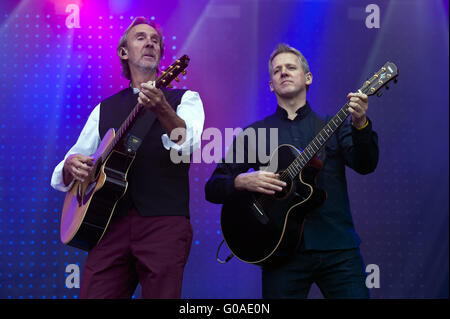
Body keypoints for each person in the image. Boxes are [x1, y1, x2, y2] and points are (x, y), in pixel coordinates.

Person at [205, 43, 378, 299]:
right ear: (271, 85)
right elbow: (213, 187)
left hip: (337, 248)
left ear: (307, 78)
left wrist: (360, 123)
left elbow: (366, 165)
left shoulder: (334, 125)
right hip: (279, 252)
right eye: (277, 71)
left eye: (290, 67)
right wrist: (242, 181)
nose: (283, 73)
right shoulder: (254, 134)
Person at [51, 17, 204, 298]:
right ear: (124, 52)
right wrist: (73, 166)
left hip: (163, 223)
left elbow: (187, 144)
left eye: (154, 40)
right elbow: (64, 170)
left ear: (161, 54)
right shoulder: (104, 109)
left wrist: (162, 109)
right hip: (109, 225)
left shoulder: (184, 99)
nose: (149, 43)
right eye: (140, 38)